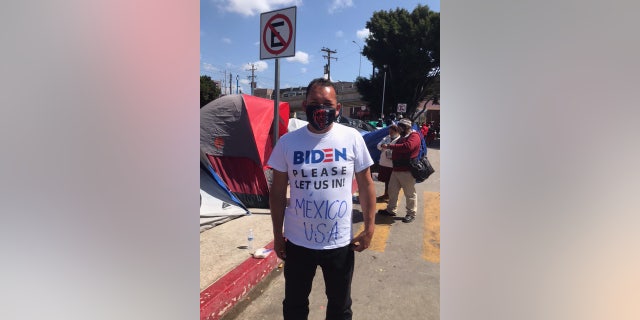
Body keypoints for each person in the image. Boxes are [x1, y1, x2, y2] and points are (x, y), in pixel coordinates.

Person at [268, 78, 377, 320]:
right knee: (294, 306)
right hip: (298, 243)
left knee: (340, 308)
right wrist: (277, 234)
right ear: (305, 105)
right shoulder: (288, 142)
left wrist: (370, 227)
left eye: (327, 103)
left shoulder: (352, 138)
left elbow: (367, 184)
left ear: (338, 108)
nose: (321, 108)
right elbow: (276, 193)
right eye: (315, 102)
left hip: (340, 244)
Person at [378, 118, 421, 223]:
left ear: (407, 127)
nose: (399, 129)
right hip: (396, 169)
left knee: (410, 193)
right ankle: (391, 210)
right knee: (392, 190)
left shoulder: (414, 136)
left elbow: (408, 147)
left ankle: (411, 213)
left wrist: (390, 146)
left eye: (401, 127)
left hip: (407, 170)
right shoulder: (402, 137)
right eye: (399, 127)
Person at [375, 124, 401, 203]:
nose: (390, 133)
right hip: (384, 163)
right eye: (389, 131)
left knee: (393, 182)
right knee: (387, 181)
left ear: (397, 132)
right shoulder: (387, 137)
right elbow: (378, 145)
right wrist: (382, 145)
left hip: (393, 164)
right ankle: (386, 195)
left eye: (392, 132)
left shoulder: (400, 139)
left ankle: (392, 197)